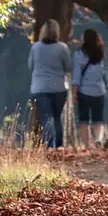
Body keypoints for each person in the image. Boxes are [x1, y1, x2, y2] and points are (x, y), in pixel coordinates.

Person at [29, 19, 73, 149]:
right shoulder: (62, 48)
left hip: (40, 87)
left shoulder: (36, 47)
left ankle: (48, 144)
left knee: (46, 117)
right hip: (58, 87)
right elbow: (68, 67)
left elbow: (30, 65)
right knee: (57, 117)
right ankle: (59, 145)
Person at [72, 28, 108, 148]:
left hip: (84, 91)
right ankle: (98, 140)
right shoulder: (102, 53)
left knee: (84, 120)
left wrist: (74, 91)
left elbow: (77, 75)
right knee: (98, 119)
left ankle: (86, 145)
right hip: (99, 90)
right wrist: (106, 87)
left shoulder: (79, 54)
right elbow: (105, 73)